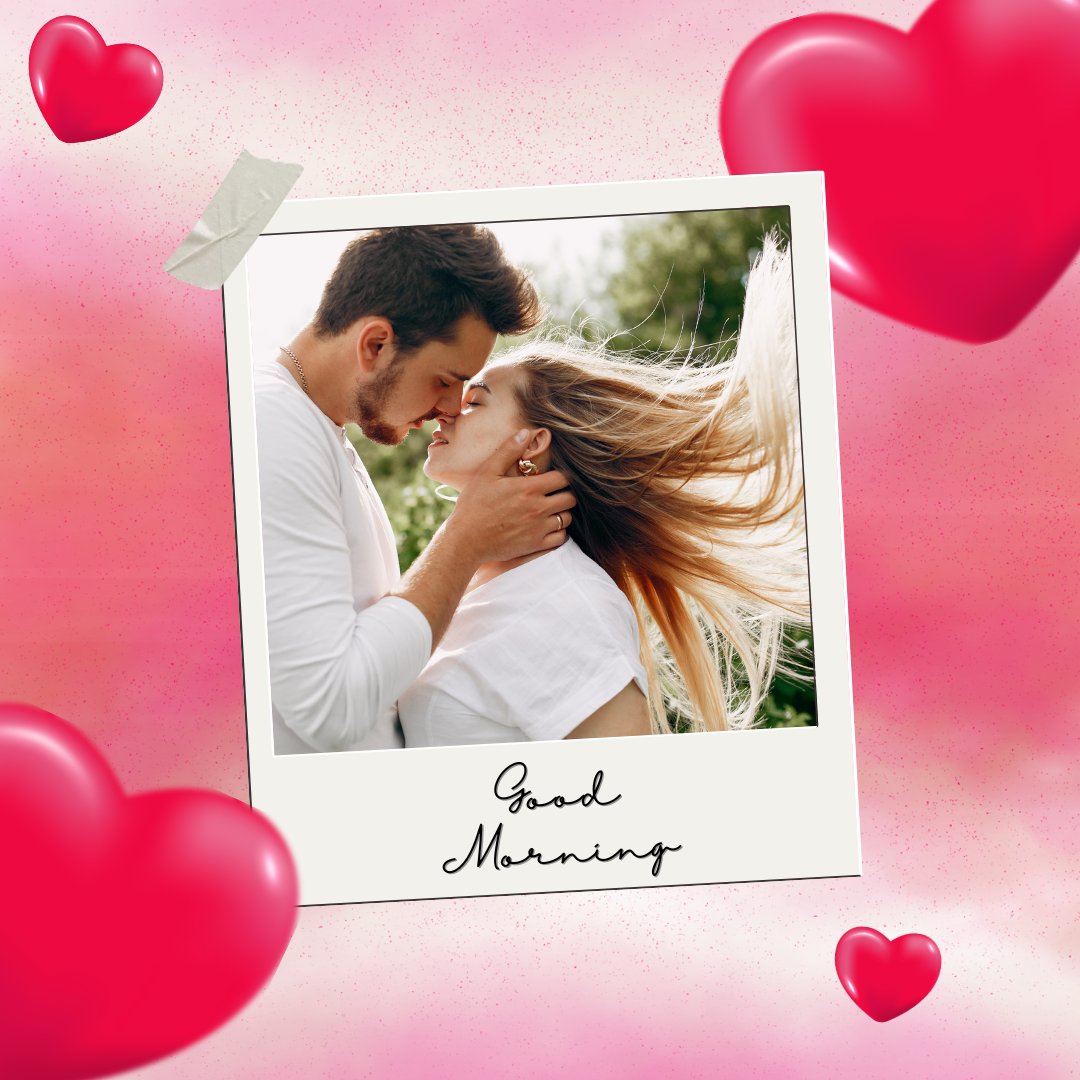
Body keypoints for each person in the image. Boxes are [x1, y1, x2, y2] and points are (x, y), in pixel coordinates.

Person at [398, 233, 810, 746]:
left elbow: (620, 799)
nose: (448, 408)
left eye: (476, 400)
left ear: (533, 443)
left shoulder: (571, 605)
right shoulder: (467, 577)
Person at [256, 225, 577, 754]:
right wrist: (465, 539)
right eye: (446, 381)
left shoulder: (318, 431)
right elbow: (329, 709)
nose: (450, 409)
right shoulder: (274, 423)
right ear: (376, 345)